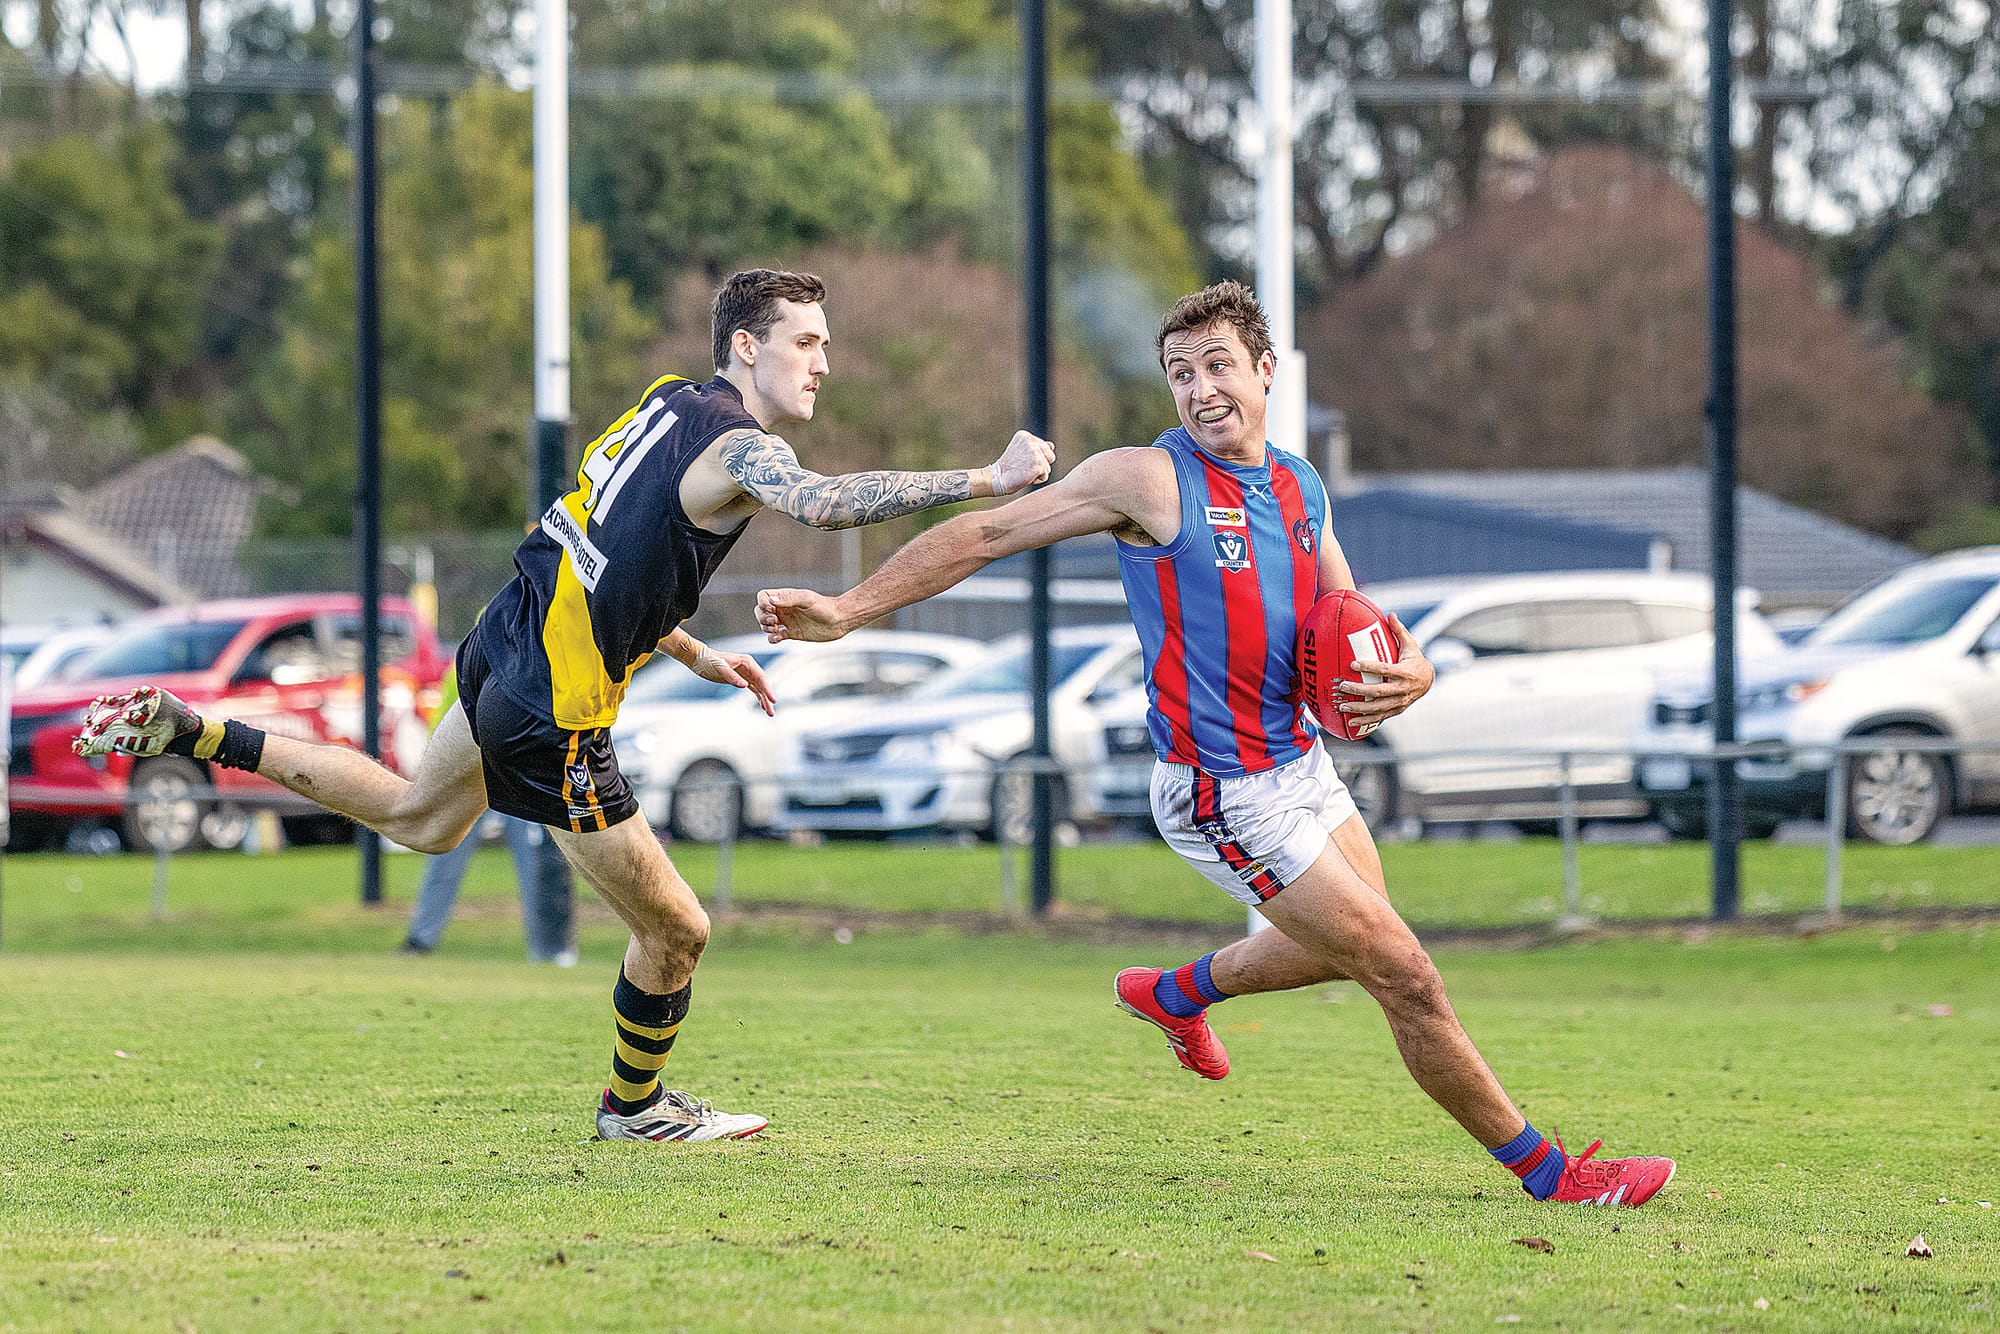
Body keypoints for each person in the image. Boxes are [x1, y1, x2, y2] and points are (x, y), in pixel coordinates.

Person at [73, 268, 1056, 1145]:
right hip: (554, 710)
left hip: (504, 636)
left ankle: (198, 729)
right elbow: (824, 501)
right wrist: (985, 477)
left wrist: (687, 648)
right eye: (806, 342)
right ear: (746, 347)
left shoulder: (666, 404)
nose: (823, 363)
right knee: (678, 931)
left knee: (418, 816)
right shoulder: (738, 449)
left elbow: (606, 546)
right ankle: (634, 1106)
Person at [756, 280, 1676, 1207]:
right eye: (1181, 374)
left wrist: (1419, 670)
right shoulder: (1148, 481)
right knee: (1406, 975)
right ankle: (1555, 1178)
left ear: (1266, 372)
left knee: (1348, 949)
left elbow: (1350, 617)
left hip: (1303, 766)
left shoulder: (1299, 484)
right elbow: (983, 534)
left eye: (1219, 366)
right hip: (1222, 787)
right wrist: (847, 609)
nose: (1200, 390)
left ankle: (1176, 993)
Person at [401, 664, 576, 964]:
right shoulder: (484, 651)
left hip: (519, 770)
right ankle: (421, 938)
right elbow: (446, 715)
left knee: (535, 859)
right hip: (474, 771)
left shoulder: (532, 644)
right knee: (444, 850)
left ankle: (548, 950)